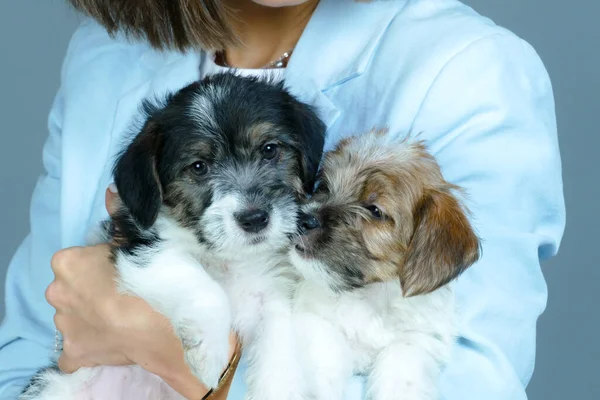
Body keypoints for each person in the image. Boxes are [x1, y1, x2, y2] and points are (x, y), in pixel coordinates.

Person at [0, 0, 566, 399]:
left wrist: (187, 364)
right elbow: (22, 351)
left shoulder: (472, 70)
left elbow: (475, 383)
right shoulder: (106, 54)